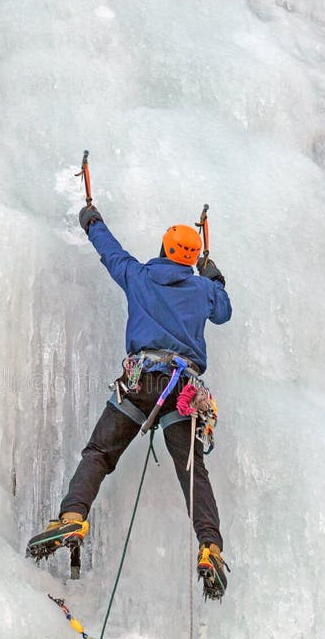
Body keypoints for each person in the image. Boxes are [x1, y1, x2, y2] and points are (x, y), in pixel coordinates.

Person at [27, 204, 232, 598]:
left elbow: (110, 251)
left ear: (164, 249)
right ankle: (211, 549)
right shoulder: (204, 290)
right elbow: (223, 310)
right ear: (190, 259)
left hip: (139, 383)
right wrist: (214, 276)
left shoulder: (138, 276)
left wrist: (92, 219)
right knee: (193, 473)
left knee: (100, 454)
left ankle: (72, 516)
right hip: (182, 394)